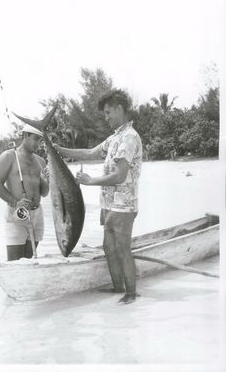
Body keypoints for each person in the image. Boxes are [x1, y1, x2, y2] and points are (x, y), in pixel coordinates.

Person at [55, 89, 142, 305]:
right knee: (108, 248)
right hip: (110, 204)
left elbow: (121, 175)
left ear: (120, 109)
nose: (106, 117)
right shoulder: (115, 138)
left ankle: (131, 294)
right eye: (105, 113)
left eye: (108, 112)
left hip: (123, 205)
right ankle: (118, 288)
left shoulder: (129, 138)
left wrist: (89, 181)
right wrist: (59, 149)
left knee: (122, 249)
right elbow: (89, 153)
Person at [0, 124, 49, 261]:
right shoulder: (9, 156)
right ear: (25, 136)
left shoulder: (41, 161)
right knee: (15, 262)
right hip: (17, 212)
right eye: (35, 139)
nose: (38, 143)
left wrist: (47, 180)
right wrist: (15, 202)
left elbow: (44, 193)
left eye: (40, 140)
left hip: (37, 213)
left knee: (29, 259)